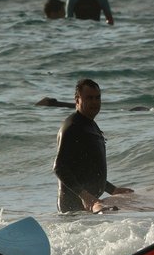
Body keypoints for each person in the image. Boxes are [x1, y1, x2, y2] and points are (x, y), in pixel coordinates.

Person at [53, 78, 132, 213]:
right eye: (89, 98)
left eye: (97, 98)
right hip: (73, 209)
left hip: (88, 205)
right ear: (77, 100)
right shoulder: (72, 127)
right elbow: (59, 167)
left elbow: (87, 170)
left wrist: (112, 190)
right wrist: (84, 196)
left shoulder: (89, 124)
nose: (94, 102)